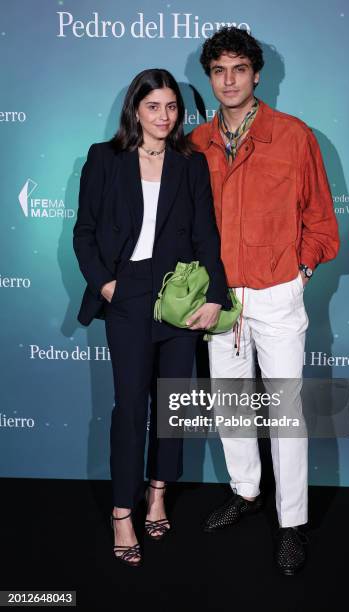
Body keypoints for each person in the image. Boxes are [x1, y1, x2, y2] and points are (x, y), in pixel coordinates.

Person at [190, 27, 340, 575]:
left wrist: (297, 274)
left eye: (238, 69)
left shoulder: (294, 136)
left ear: (256, 74)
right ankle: (246, 490)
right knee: (230, 403)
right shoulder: (198, 143)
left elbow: (322, 222)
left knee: (285, 412)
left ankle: (292, 522)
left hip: (277, 293)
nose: (229, 80)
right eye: (218, 71)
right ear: (209, 78)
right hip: (216, 300)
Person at [73, 68, 229, 567]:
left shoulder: (191, 163)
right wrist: (107, 284)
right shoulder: (104, 158)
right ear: (135, 110)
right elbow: (85, 232)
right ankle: (123, 511)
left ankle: (158, 492)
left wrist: (216, 296)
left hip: (179, 297)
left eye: (172, 107)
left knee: (174, 405)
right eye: (153, 106)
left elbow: (206, 235)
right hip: (128, 294)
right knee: (130, 409)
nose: (164, 117)